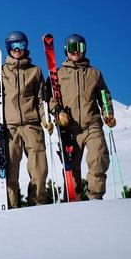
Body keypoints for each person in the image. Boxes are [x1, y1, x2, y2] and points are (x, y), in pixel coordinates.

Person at [0, 31, 52, 207]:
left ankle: (37, 205)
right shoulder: (0, 72)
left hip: (32, 126)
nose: (17, 49)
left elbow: (41, 100)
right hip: (9, 128)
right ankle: (12, 208)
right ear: (8, 48)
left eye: (21, 45)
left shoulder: (35, 71)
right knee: (10, 172)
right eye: (14, 46)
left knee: (39, 170)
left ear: (26, 47)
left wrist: (46, 119)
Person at [49, 34, 115, 200]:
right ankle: (75, 199)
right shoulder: (58, 74)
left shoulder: (95, 74)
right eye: (72, 48)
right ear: (66, 50)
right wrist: (58, 113)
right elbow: (50, 98)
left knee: (98, 156)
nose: (76, 52)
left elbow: (104, 96)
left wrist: (108, 115)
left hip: (92, 124)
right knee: (72, 168)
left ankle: (95, 196)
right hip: (70, 128)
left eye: (80, 48)